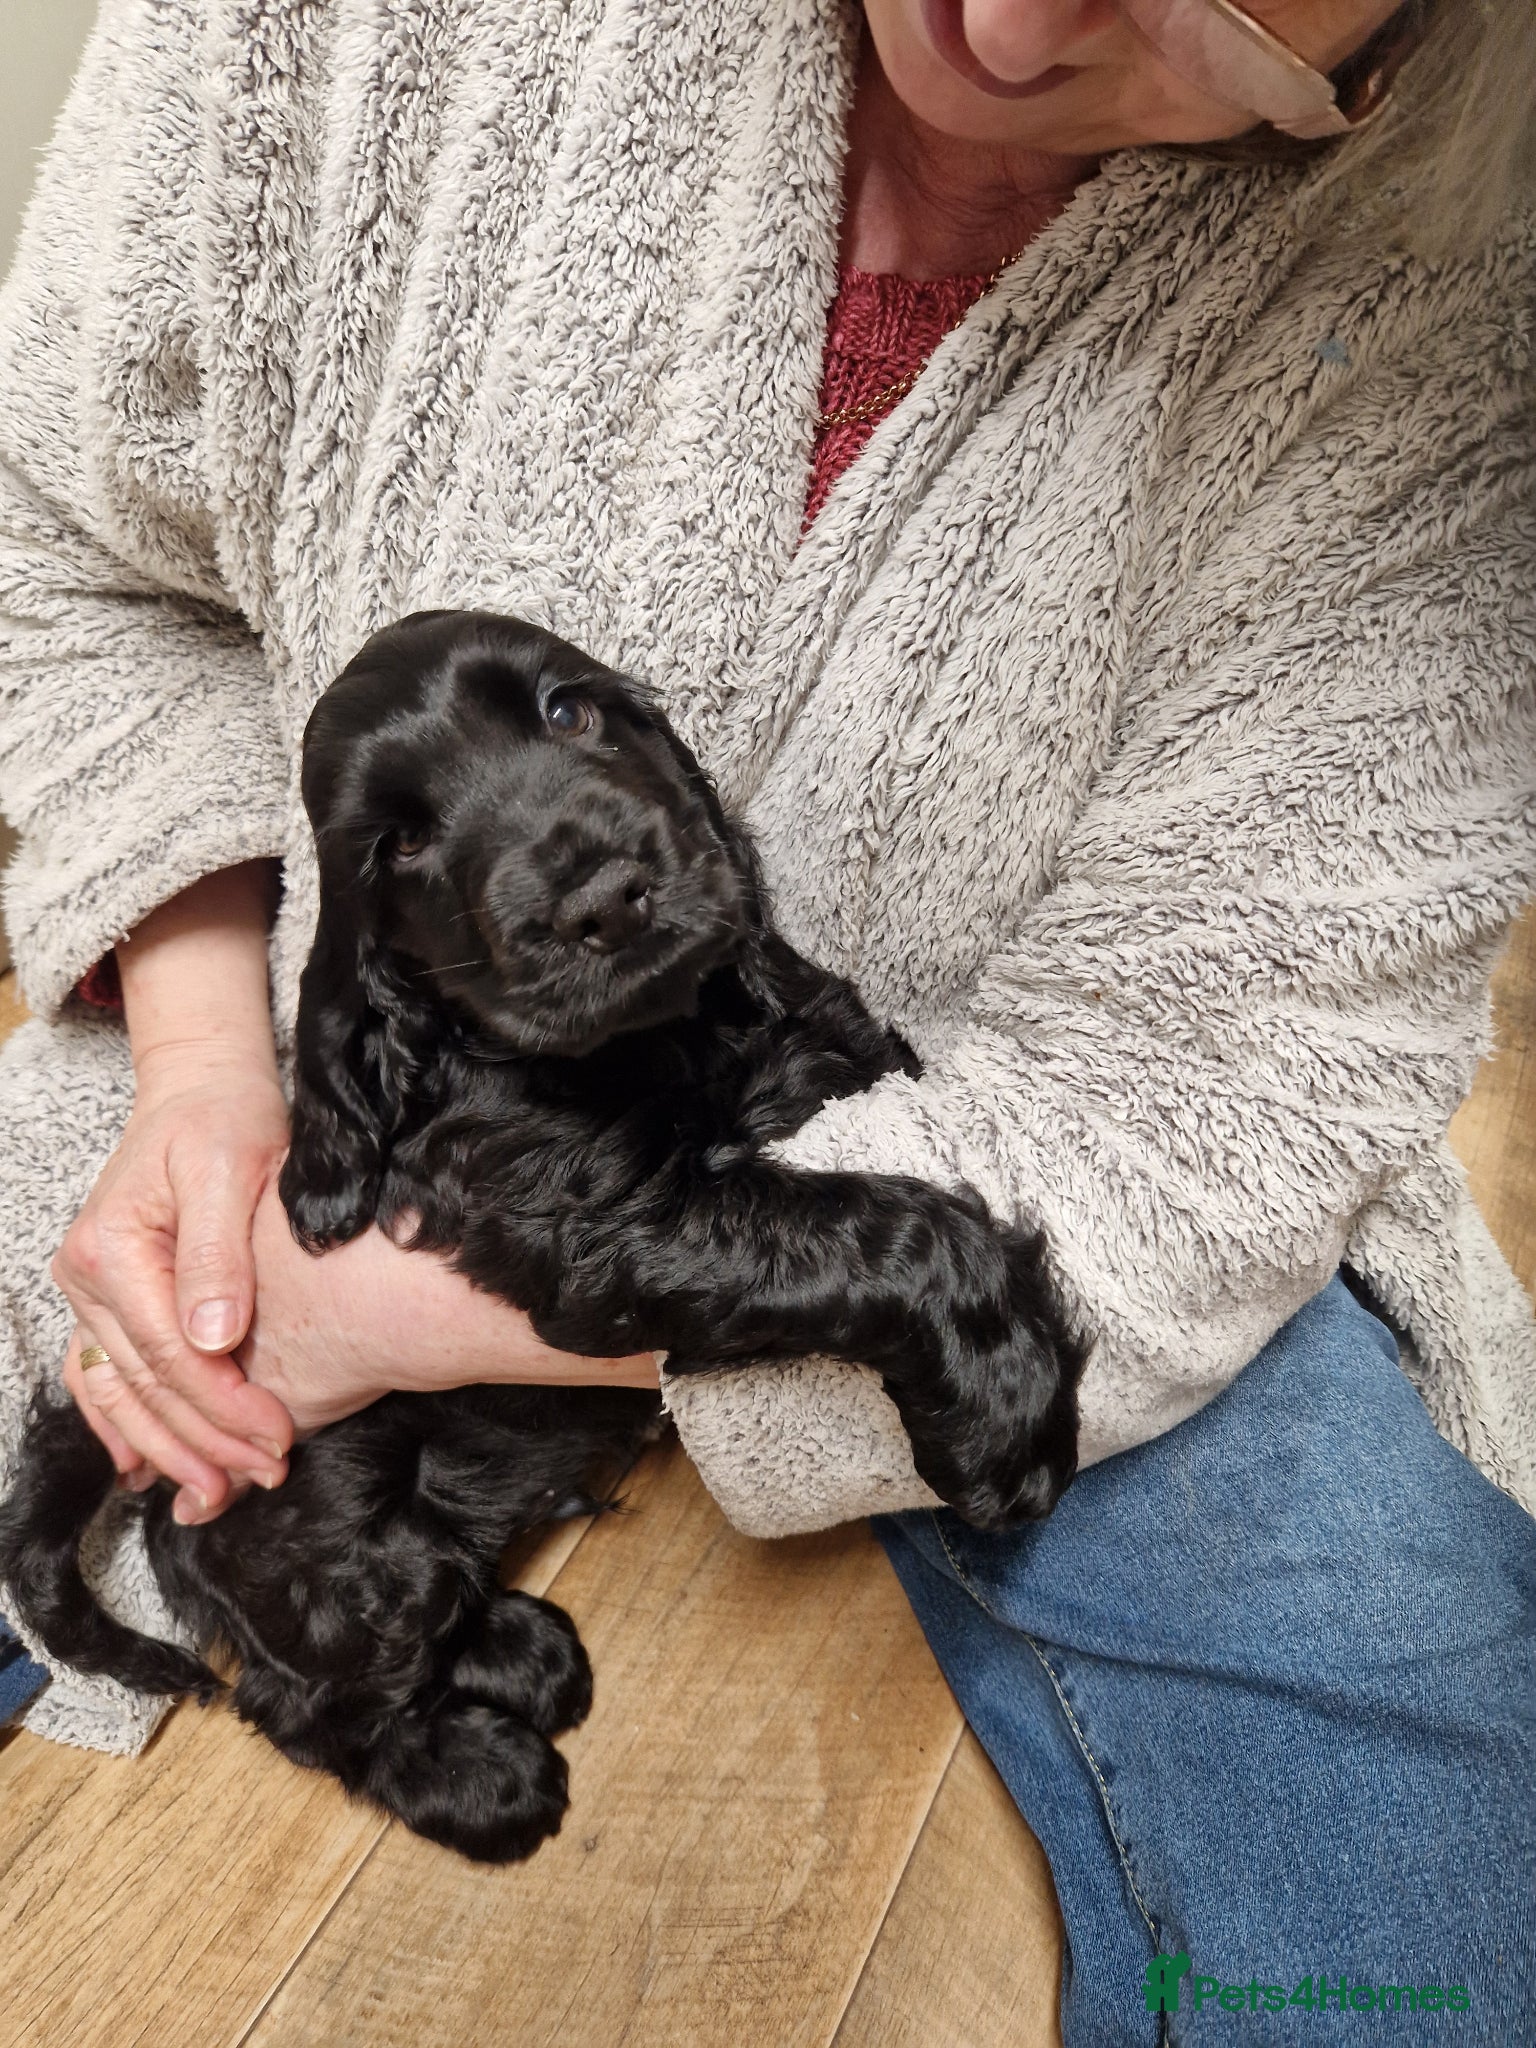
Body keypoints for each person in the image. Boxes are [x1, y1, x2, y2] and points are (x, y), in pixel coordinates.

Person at [1, 0, 1532, 2035]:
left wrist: (391, 1308)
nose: (1003, 28)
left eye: (1207, 10)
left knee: (1432, 1883)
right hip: (284, 1084)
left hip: (1054, 1183)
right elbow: (72, 557)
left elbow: (1207, 1102)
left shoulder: (1476, 290)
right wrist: (203, 1061)